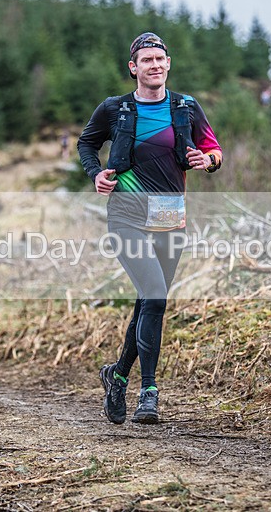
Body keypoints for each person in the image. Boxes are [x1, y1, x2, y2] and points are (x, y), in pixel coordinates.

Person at [77, 32, 222, 424]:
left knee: (149, 301)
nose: (154, 65)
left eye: (160, 59)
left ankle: (118, 374)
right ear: (133, 68)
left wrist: (205, 162)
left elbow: (214, 150)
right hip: (126, 213)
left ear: (168, 63)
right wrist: (96, 174)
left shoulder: (186, 108)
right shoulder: (115, 109)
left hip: (168, 216)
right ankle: (149, 393)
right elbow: (86, 144)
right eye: (146, 60)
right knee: (155, 294)